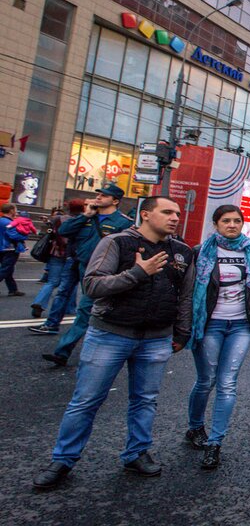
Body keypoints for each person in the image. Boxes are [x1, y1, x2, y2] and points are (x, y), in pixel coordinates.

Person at [32, 196, 194, 490]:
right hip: (111, 334)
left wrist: (182, 332)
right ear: (146, 214)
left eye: (177, 213)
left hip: (156, 338)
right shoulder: (117, 242)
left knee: (145, 400)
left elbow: (185, 296)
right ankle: (63, 460)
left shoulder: (181, 251)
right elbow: (92, 285)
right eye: (167, 212)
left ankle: (136, 453)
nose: (175, 217)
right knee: (87, 400)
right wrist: (138, 273)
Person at [185, 205, 250, 469]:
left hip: (241, 325)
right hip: (209, 324)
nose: (232, 225)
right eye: (226, 221)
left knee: (227, 383)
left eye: (236, 221)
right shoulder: (201, 252)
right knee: (206, 380)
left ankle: (215, 443)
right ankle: (195, 427)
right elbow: (186, 292)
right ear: (216, 224)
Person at [40, 184, 133, 366]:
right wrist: (85, 215)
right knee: (91, 308)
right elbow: (64, 231)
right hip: (81, 267)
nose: (98, 197)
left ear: (115, 201)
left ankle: (63, 351)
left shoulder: (123, 223)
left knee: (85, 309)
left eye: (104, 195)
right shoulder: (87, 218)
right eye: (98, 194)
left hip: (103, 272)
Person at [30, 201, 82, 319]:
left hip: (56, 253)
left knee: (52, 281)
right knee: (71, 282)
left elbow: (51, 229)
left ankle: (39, 302)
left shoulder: (58, 219)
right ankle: (70, 308)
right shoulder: (81, 221)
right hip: (72, 254)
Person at [0, 203, 31, 296]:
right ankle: (13, 290)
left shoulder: (1, 220)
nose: (16, 212)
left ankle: (13, 289)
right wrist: (24, 236)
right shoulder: (10, 223)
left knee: (9, 270)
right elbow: (15, 236)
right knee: (6, 269)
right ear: (11, 211)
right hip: (10, 248)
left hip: (2, 247)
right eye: (15, 210)